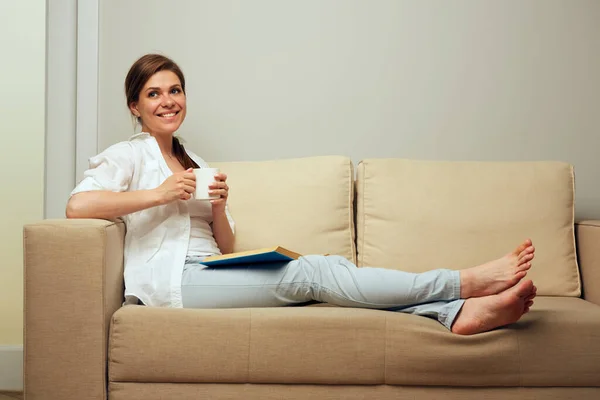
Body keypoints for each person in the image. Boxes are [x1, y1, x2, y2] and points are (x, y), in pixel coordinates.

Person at [66, 54, 537, 335]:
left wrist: (220, 209)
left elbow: (226, 247)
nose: (168, 101)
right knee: (313, 275)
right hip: (172, 285)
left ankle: (452, 313)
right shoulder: (129, 154)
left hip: (209, 269)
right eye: (154, 94)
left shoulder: (196, 162)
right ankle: (461, 284)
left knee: (328, 267)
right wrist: (158, 195)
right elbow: (78, 206)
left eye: (175, 90)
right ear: (135, 105)